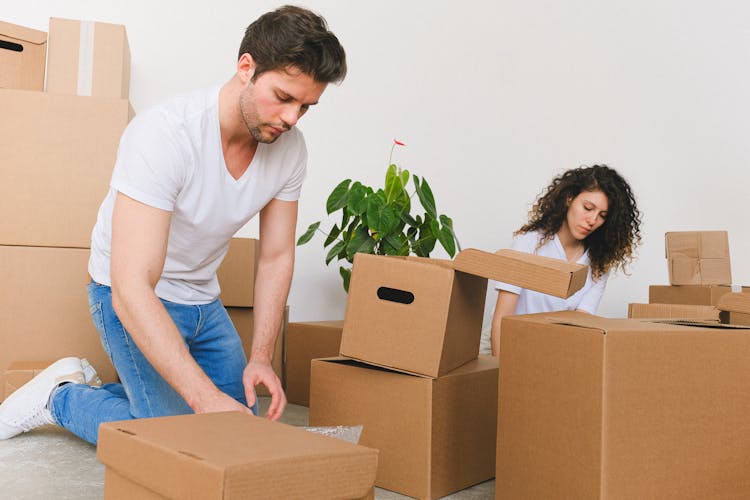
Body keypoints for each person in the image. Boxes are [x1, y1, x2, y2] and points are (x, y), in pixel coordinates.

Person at [0, 5, 347, 445]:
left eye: (306, 106)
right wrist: (202, 399)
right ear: (246, 67)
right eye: (283, 97)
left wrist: (261, 357)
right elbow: (131, 286)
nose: (292, 119)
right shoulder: (165, 134)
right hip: (126, 294)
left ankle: (143, 398)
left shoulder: (290, 150)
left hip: (202, 299)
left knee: (235, 427)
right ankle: (61, 397)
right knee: (179, 439)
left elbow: (276, 256)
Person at [489, 164, 641, 356]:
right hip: (510, 346)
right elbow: (502, 317)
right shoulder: (529, 243)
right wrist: (500, 373)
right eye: (588, 208)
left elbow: (578, 326)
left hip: (555, 352)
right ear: (569, 199)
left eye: (602, 215)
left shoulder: (598, 265)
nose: (592, 220)